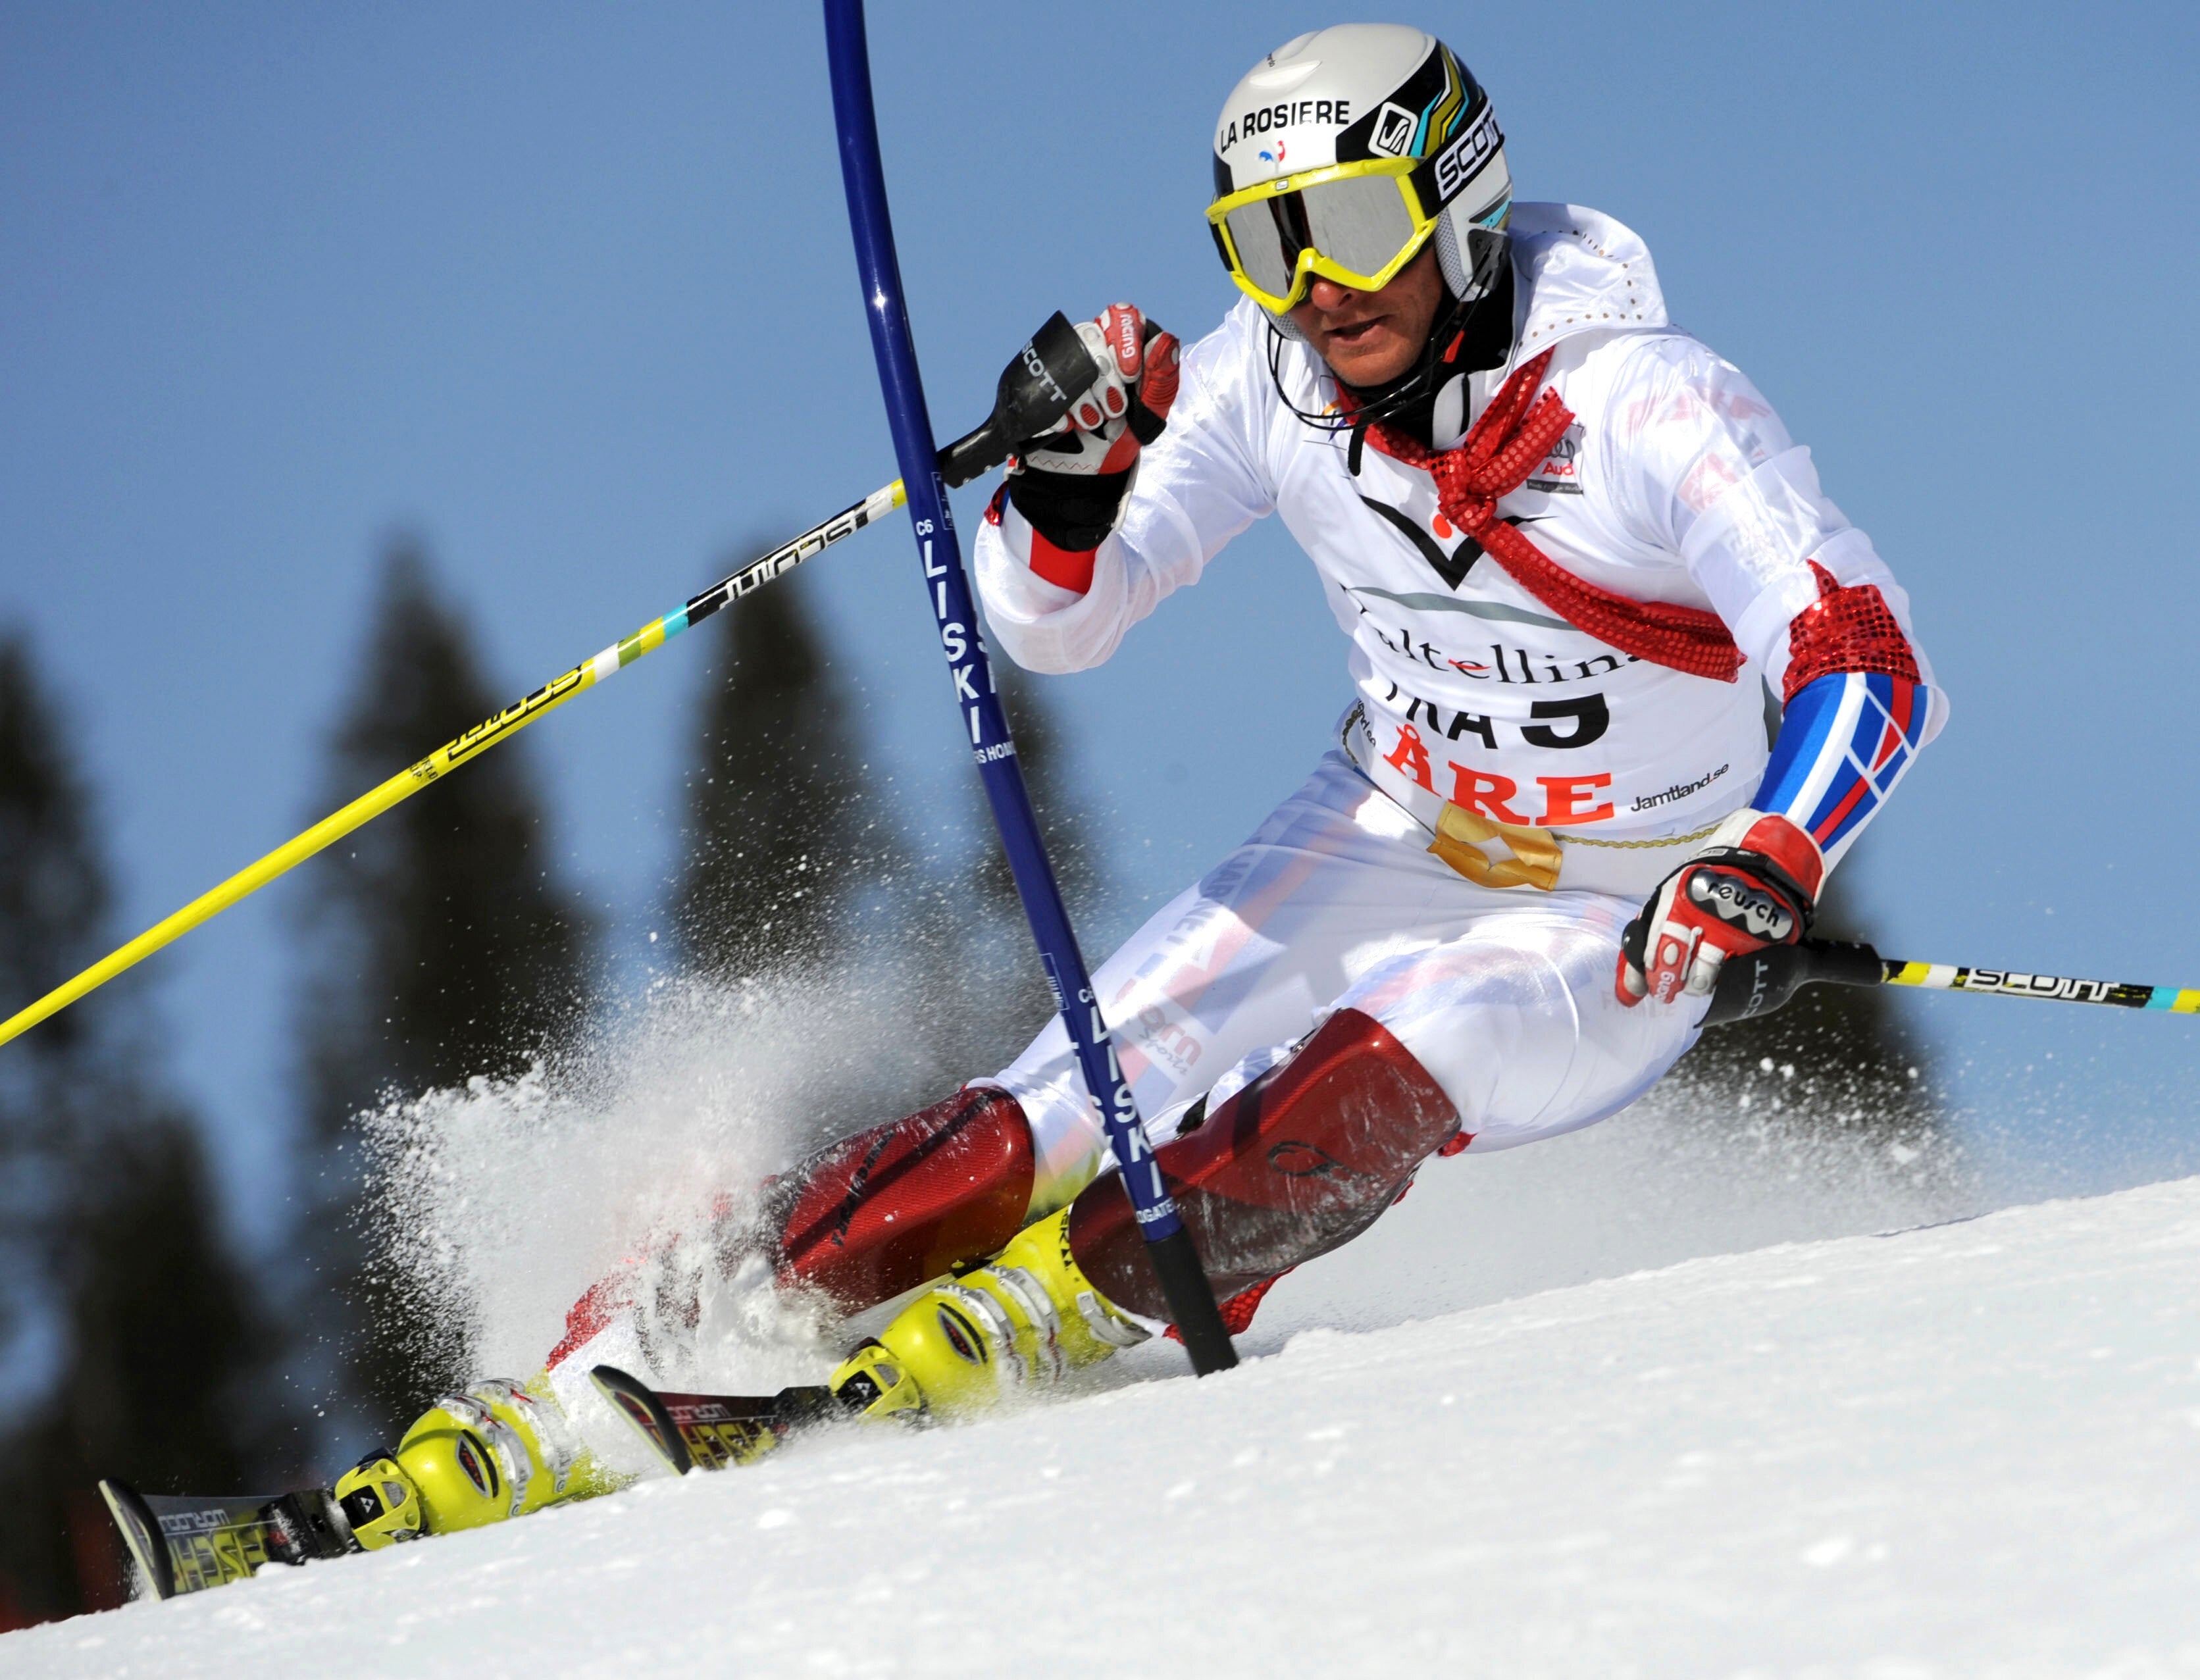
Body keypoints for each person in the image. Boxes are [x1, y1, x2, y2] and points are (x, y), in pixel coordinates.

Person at [336, 22, 1943, 1542]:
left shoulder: (1644, 400)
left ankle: (1061, 1305)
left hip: (1623, 898)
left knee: (1427, 1032)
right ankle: (644, 1338)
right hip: (1387, 823)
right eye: (1265, 241)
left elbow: (1863, 653)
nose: (1317, 288)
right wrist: (1066, 482)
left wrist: (1767, 854)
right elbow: (1056, 623)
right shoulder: (1276, 378)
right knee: (1046, 1109)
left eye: (1357, 223)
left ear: (1456, 202)